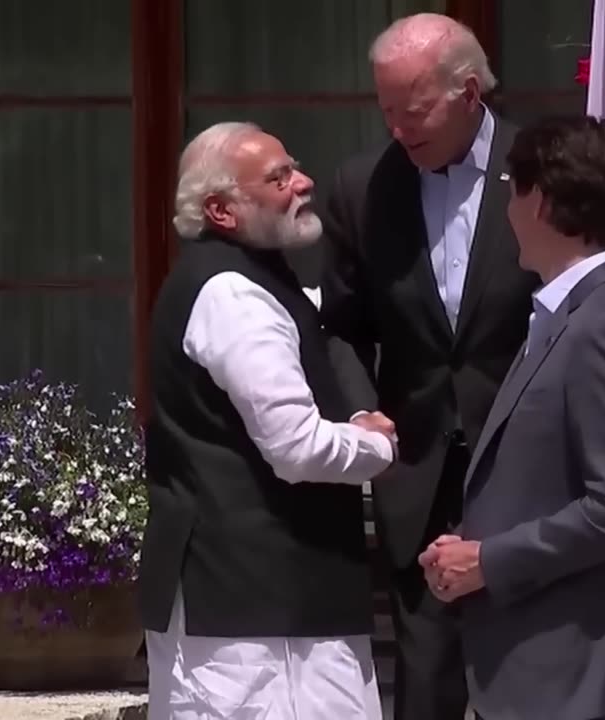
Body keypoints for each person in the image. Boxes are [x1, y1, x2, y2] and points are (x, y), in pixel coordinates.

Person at [318, 13, 540, 720]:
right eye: (385, 110)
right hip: (417, 473)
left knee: (537, 676)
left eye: (412, 112)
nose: (397, 130)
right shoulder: (362, 189)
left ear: (469, 93)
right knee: (428, 686)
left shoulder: (541, 168)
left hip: (530, 467)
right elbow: (341, 329)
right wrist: (362, 415)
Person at [139, 121, 397, 720]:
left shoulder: (258, 279)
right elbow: (296, 446)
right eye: (278, 178)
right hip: (250, 620)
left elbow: (321, 335)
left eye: (293, 167)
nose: (303, 183)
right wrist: (377, 447)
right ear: (221, 210)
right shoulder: (233, 294)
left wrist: (356, 407)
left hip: (267, 605)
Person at [420, 115, 605, 720]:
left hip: (572, 676)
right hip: (530, 671)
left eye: (511, 186)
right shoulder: (565, 314)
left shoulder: (603, 325)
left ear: (541, 201)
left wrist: (489, 561)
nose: (505, 209)